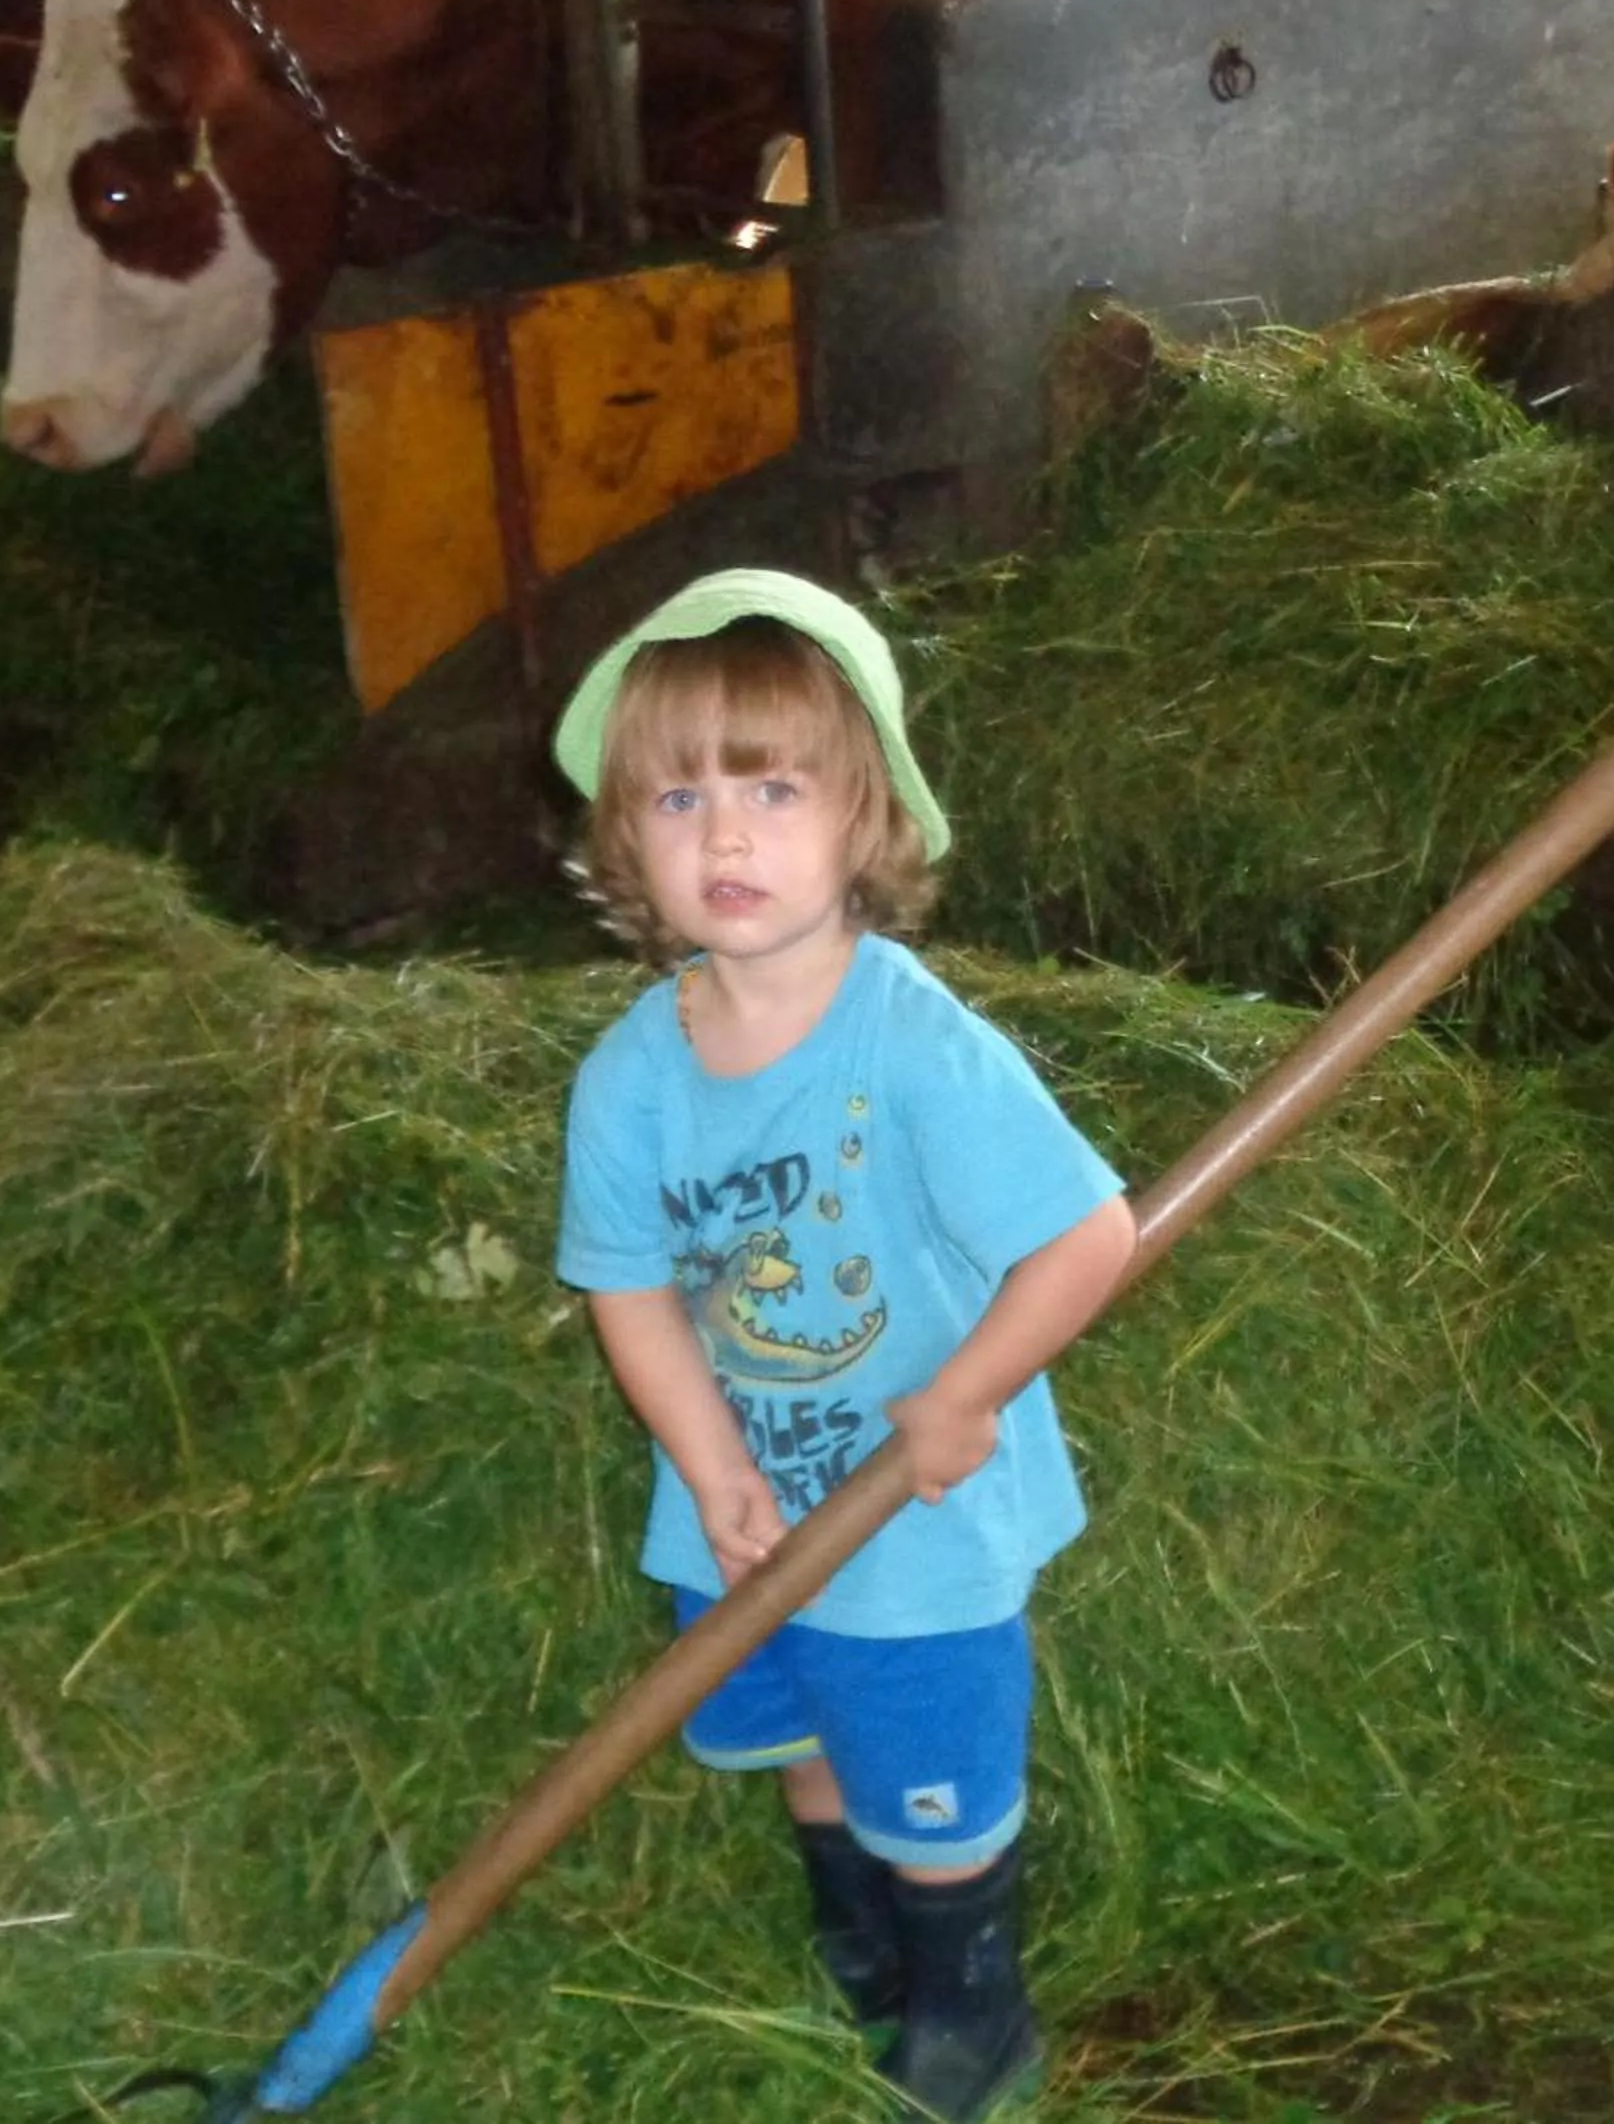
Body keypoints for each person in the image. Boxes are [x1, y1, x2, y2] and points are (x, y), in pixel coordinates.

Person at [552, 567, 1138, 2121]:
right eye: (678, 795)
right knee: (804, 1730)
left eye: (773, 787)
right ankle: (862, 1928)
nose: (725, 834)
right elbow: (631, 1289)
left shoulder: (921, 1043)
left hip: (917, 1509)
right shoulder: (628, 1078)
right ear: (629, 840)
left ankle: (970, 1998)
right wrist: (710, 1459)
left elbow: (1088, 1235)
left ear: (864, 819)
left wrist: (964, 1396)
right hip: (745, 1501)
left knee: (926, 1771)